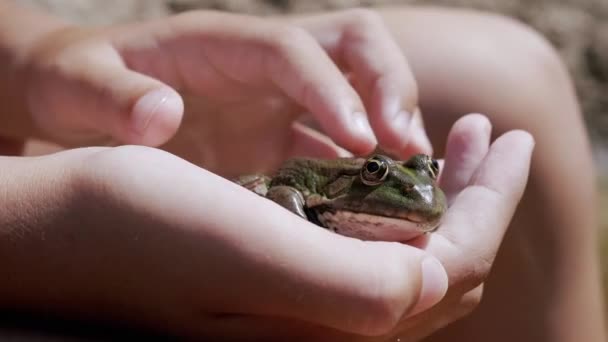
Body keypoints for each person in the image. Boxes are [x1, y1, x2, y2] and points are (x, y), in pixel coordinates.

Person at [0, 1, 604, 341]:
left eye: (417, 173)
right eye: (376, 174)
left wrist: (40, 57)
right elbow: (284, 190)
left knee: (510, 80)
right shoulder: (317, 193)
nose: (415, 186)